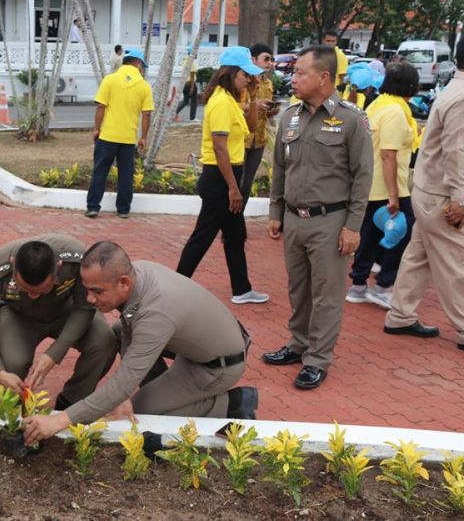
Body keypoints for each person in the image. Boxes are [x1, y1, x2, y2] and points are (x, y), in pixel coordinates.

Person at [23, 241, 258, 445]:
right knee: (117, 334)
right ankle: (162, 388)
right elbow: (127, 328)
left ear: (124, 282)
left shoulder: (156, 313)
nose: (90, 299)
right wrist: (121, 394)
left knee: (142, 408)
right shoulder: (138, 273)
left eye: (97, 291)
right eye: (87, 290)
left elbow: (124, 381)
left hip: (216, 367)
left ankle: (233, 403)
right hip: (196, 346)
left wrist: (59, 420)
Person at [262, 45, 373, 389]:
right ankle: (298, 344)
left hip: (331, 221)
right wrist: (275, 211)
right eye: (293, 72)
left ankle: (318, 359)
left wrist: (353, 226)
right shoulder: (291, 117)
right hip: (294, 218)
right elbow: (280, 168)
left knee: (326, 293)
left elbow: (362, 176)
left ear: (324, 77)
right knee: (298, 290)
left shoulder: (351, 119)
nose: (293, 78)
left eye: (300, 73)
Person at [0, 234, 117, 410]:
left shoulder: (78, 261)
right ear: (13, 264)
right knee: (11, 363)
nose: (33, 295)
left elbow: (84, 308)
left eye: (42, 290)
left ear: (58, 267)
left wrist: (54, 354)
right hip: (18, 315)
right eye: (25, 289)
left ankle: (71, 402)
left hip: (66, 311)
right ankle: (13, 410)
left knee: (104, 342)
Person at [384, 40, 464, 350]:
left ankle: (400, 315)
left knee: (419, 257)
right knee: (454, 263)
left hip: (431, 190)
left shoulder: (454, 93)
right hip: (442, 196)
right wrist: (460, 198)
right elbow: (458, 152)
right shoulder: (461, 98)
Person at [175, 46, 269, 305]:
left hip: (229, 175)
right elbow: (219, 148)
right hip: (220, 178)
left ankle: (242, 288)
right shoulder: (220, 103)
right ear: (231, 73)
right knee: (203, 236)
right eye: (245, 75)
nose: (249, 79)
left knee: (235, 236)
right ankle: (176, 284)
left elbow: (250, 128)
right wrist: (233, 188)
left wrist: (251, 100)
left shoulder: (232, 100)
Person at [346, 62, 420, 309]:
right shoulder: (396, 112)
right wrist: (393, 196)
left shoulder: (378, 104)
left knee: (370, 234)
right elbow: (389, 154)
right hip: (389, 185)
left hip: (370, 182)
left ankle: (358, 285)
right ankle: (384, 285)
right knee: (402, 233)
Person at [85, 49, 153, 219]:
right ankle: (123, 209)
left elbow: (101, 106)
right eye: (142, 66)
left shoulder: (110, 80)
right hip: (128, 139)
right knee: (125, 175)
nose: (142, 69)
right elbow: (147, 114)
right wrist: (143, 137)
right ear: (137, 64)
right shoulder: (144, 86)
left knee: (100, 172)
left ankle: (93, 207)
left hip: (107, 136)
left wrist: (96, 129)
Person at [240, 43, 280, 203]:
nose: (270, 63)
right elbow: (235, 106)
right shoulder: (243, 80)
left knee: (248, 183)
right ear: (254, 59)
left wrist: (271, 110)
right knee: (237, 180)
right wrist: (254, 105)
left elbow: (266, 112)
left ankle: (238, 217)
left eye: (271, 59)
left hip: (259, 139)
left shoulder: (268, 83)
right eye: (266, 59)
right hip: (243, 138)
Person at [175, 46, 199, 121]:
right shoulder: (190, 62)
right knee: (194, 102)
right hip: (190, 84)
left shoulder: (186, 60)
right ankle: (192, 117)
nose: (196, 54)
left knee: (185, 101)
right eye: (196, 52)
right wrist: (192, 87)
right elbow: (192, 75)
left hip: (185, 84)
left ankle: (173, 113)